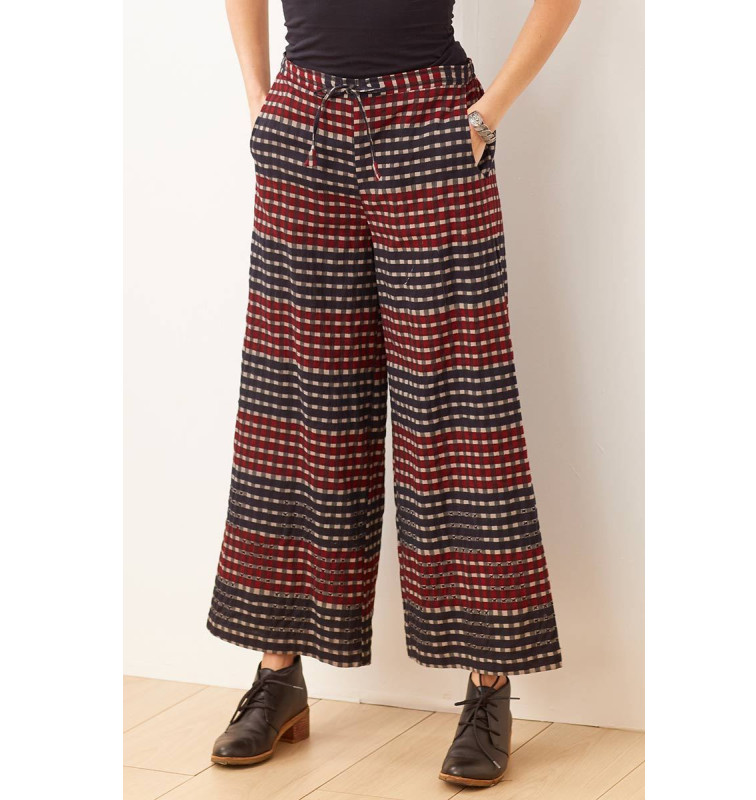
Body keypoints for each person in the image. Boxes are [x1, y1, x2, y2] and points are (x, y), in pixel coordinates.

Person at [206, 0, 580, 788]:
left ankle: (487, 685)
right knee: (297, 401)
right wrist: (261, 99)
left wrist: (486, 114)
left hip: (432, 120)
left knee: (460, 404)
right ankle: (279, 674)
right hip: (304, 120)